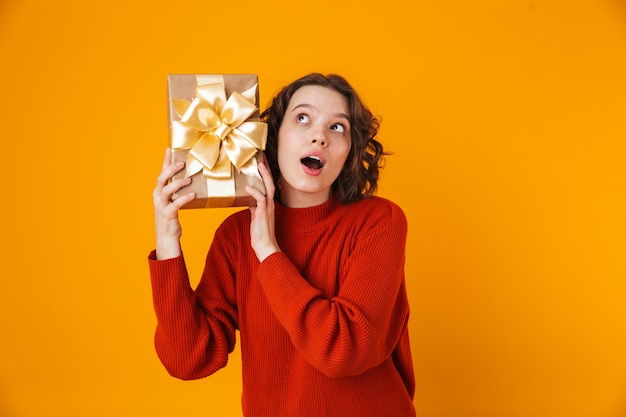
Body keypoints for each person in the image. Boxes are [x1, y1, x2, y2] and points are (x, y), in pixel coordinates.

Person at [149, 73, 416, 417]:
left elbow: (344, 351)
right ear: (272, 139)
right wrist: (167, 239)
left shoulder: (380, 222)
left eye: (338, 128)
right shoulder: (234, 236)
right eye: (302, 118)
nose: (319, 136)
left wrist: (268, 250)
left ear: (350, 151)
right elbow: (188, 360)